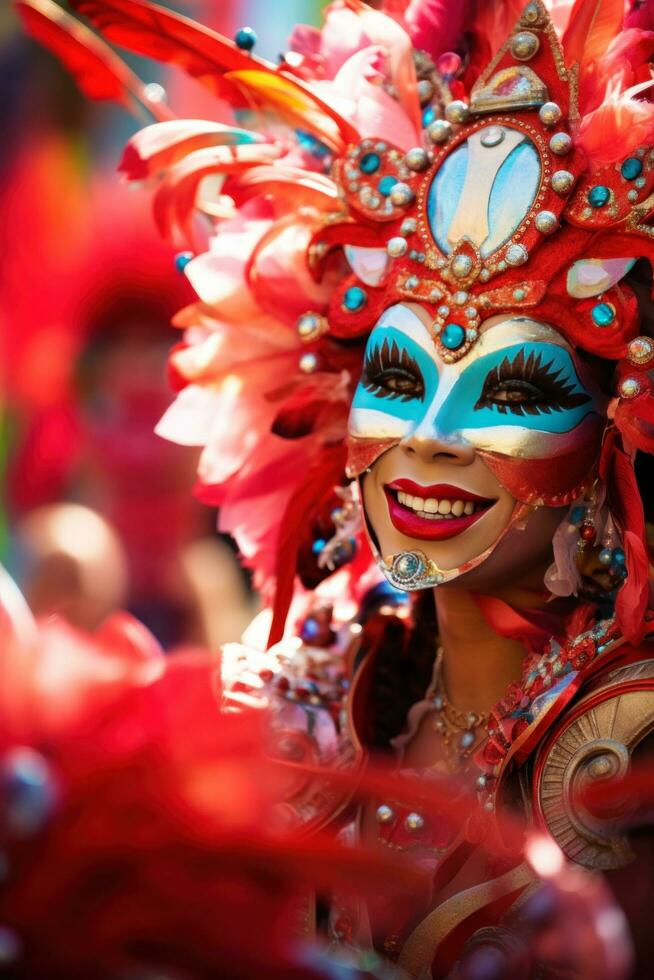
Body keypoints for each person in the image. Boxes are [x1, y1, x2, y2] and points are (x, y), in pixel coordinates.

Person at [15, 0, 654, 974]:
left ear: (616, 432)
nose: (430, 436)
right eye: (397, 379)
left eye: (513, 387)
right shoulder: (302, 700)